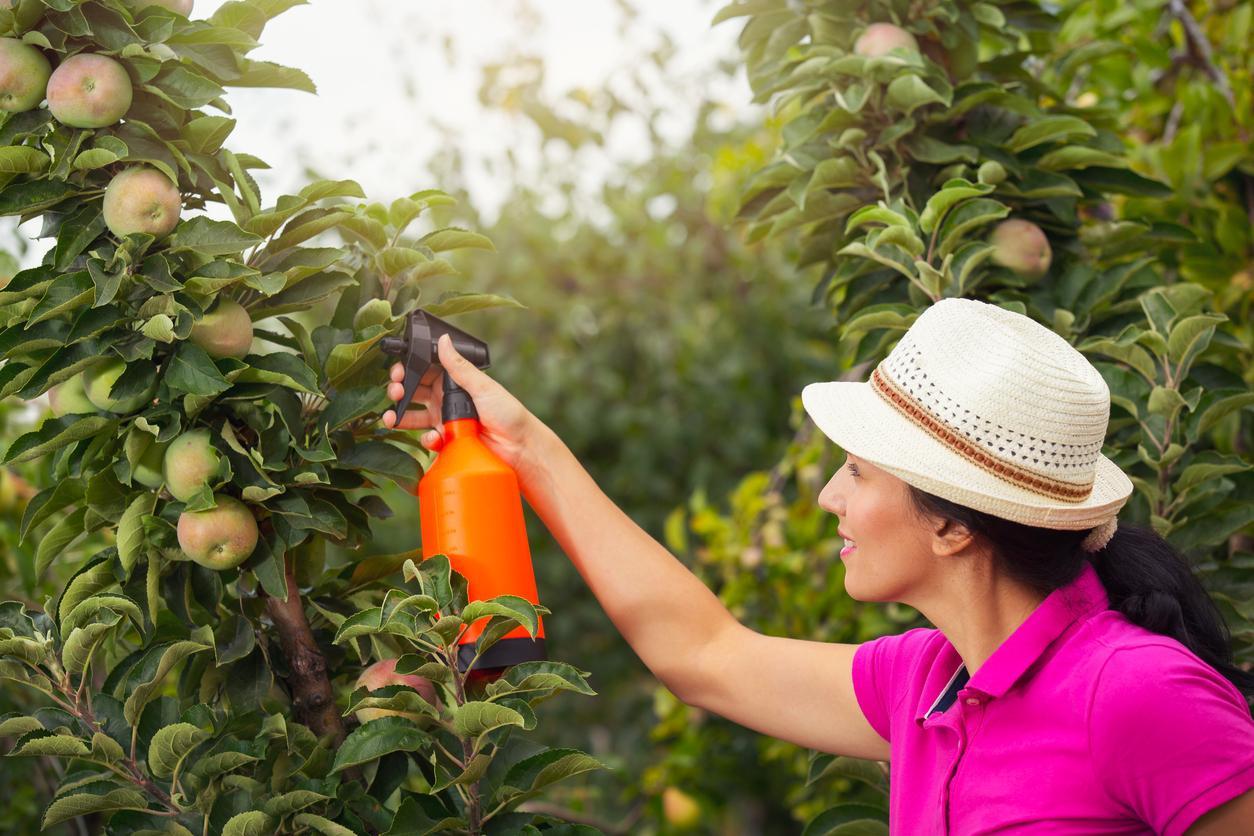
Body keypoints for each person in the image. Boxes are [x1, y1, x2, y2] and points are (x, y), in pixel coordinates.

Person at [380, 297, 1254, 834]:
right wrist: (522, 444)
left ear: (953, 528)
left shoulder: (1133, 693)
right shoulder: (928, 686)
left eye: (858, 471)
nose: (830, 496)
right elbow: (704, 654)